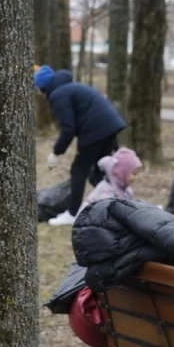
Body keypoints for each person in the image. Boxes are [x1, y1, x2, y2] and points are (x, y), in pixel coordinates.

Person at [34, 64, 126, 226]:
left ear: (43, 87)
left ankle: (72, 212)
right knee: (99, 171)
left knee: (78, 170)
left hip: (96, 129)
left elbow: (68, 129)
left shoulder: (57, 95)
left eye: (38, 89)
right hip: (109, 125)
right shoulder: (70, 88)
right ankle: (121, 205)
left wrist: (56, 152)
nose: (38, 93)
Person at [79, 147, 142, 213]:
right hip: (88, 220)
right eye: (134, 174)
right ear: (122, 173)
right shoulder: (106, 191)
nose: (136, 178)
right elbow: (103, 214)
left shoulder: (127, 191)